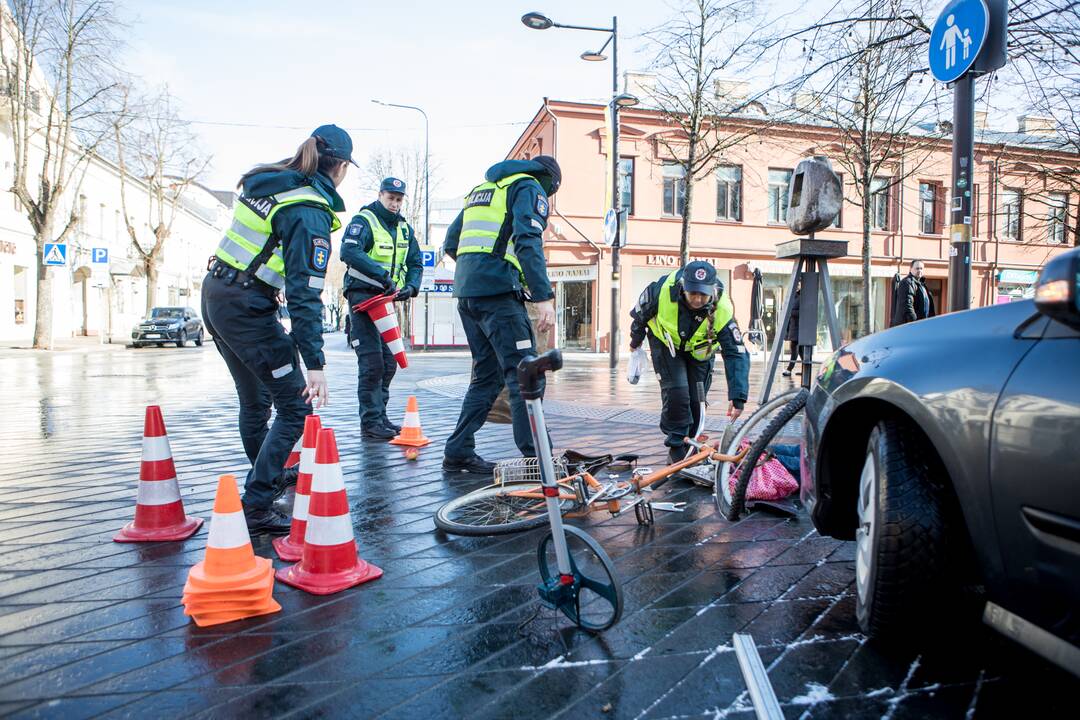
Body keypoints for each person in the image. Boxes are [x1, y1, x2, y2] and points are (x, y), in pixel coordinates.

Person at [202, 125, 353, 534]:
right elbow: (307, 294)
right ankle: (257, 503)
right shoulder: (308, 208)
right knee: (295, 407)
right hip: (247, 308)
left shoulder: (272, 183)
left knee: (254, 404)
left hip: (218, 294)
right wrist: (315, 364)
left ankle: (263, 480)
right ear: (339, 168)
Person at [441, 155, 560, 473]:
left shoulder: (482, 190)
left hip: (467, 294)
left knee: (487, 376)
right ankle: (539, 460)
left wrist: (479, 267)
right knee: (526, 373)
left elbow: (451, 243)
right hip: (497, 296)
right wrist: (543, 297)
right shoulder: (528, 186)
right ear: (550, 182)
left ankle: (458, 449)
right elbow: (527, 240)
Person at [629, 260, 751, 464]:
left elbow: (736, 352)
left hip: (699, 352)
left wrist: (738, 396)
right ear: (683, 286)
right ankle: (676, 446)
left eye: (703, 294)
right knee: (678, 392)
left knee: (697, 398)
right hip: (666, 345)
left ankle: (692, 441)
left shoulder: (722, 309)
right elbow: (640, 316)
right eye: (692, 292)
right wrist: (635, 342)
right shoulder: (663, 289)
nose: (697, 299)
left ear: (712, 290)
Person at [340, 177, 422, 438]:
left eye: (399, 199)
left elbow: (416, 262)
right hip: (363, 298)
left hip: (386, 300)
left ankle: (380, 417)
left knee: (388, 362)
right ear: (380, 195)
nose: (395, 204)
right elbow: (349, 252)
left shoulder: (404, 229)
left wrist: (412, 286)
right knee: (372, 362)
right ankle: (370, 422)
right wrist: (382, 277)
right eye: (391, 198)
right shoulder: (364, 220)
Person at [891, 259, 936, 327]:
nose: (919, 270)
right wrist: (915, 323)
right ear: (910, 269)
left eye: (921, 268)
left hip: (922, 325)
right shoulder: (907, 283)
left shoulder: (922, 285)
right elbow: (907, 306)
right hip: (911, 326)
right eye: (917, 268)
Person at [782, 284, 803, 377]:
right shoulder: (795, 296)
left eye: (798, 284)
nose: (797, 286)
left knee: (794, 348)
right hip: (793, 326)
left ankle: (789, 369)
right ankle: (805, 370)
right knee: (800, 350)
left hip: (799, 327)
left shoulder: (802, 296)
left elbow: (803, 311)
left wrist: (790, 312)